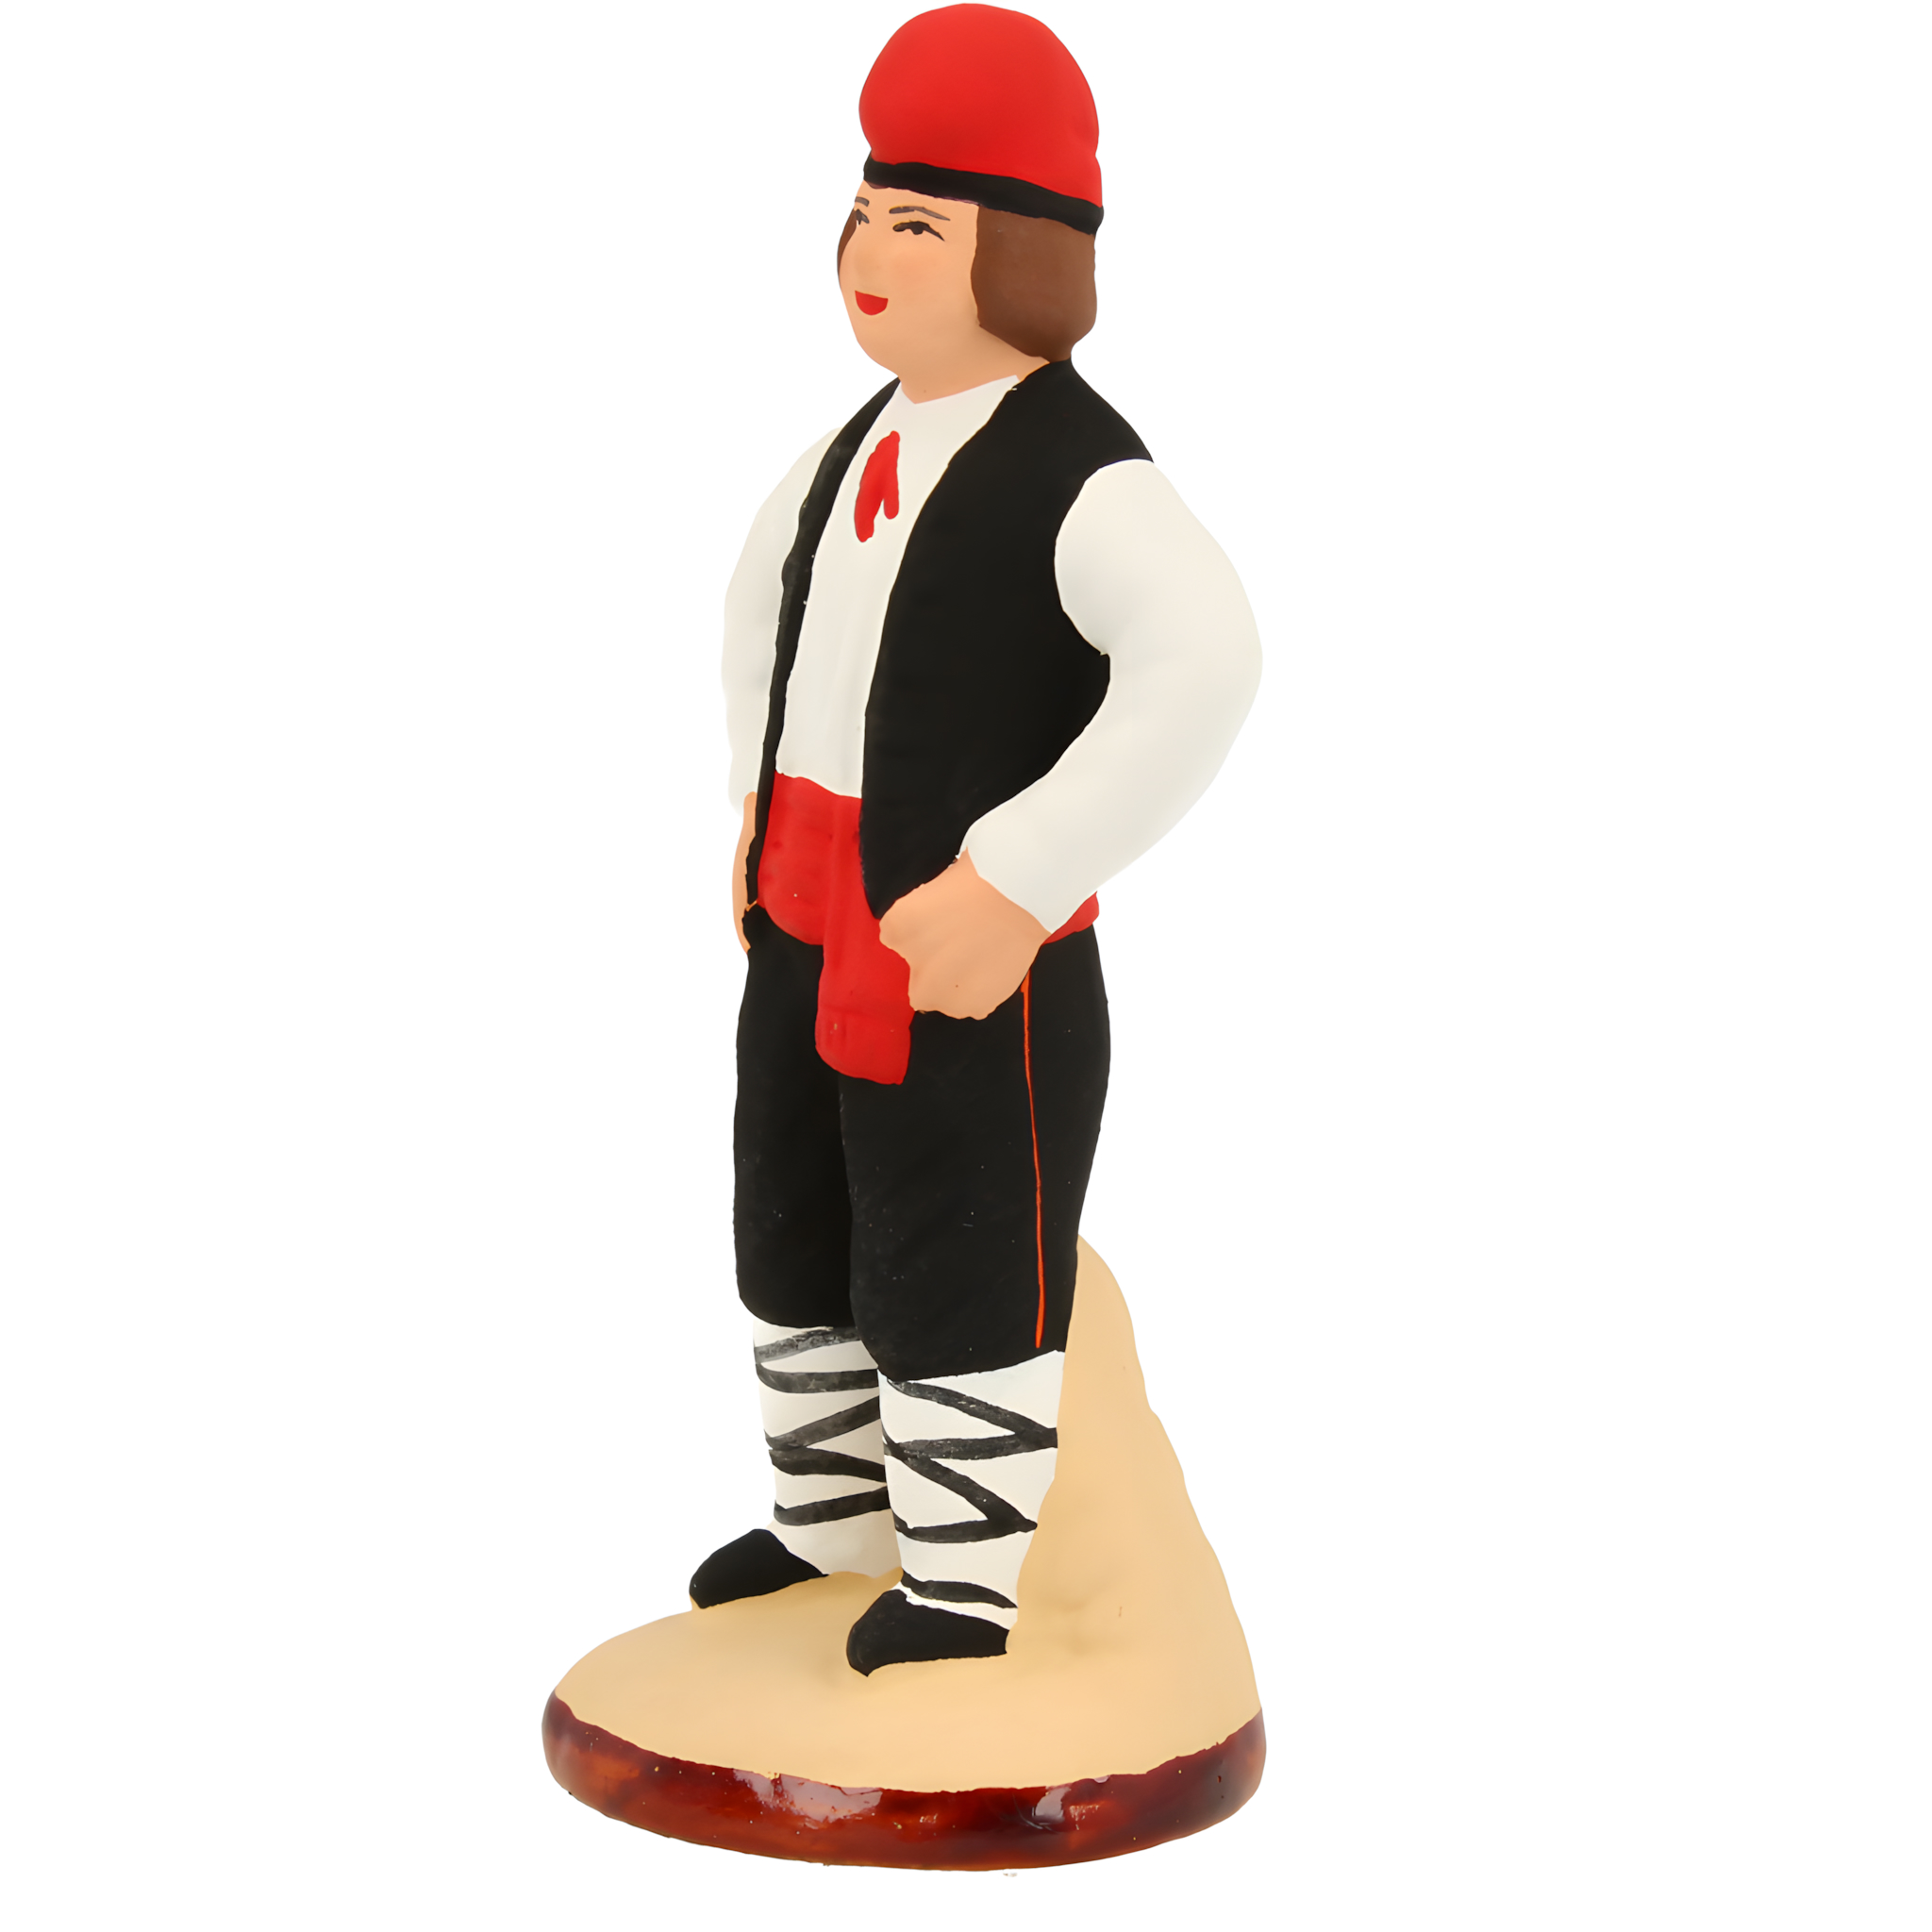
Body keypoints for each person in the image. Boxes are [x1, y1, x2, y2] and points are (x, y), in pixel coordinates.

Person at [693, 4, 1262, 1675]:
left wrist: (1017, 879)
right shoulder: (847, 447)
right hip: (807, 915)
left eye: (919, 228)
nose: (870, 257)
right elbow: (759, 618)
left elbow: (1207, 664)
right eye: (866, 215)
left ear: (1020, 255)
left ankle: (961, 1581)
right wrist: (752, 808)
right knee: (792, 1218)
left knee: (959, 1245)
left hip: (965, 957)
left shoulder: (1089, 477)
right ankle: (832, 1521)